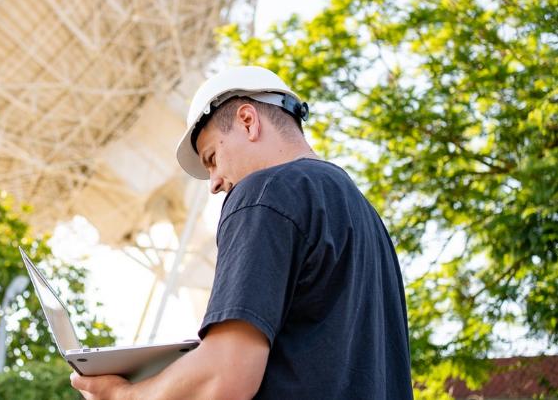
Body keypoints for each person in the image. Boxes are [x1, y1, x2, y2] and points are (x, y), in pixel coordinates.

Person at [71, 66, 413, 399]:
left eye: (212, 157)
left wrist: (125, 395)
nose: (215, 183)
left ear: (248, 121)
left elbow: (226, 376)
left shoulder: (265, 192)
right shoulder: (365, 217)